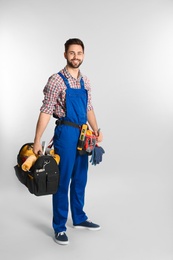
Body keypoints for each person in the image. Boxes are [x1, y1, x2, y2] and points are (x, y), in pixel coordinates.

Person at [33, 38, 103, 245]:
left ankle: (79, 218)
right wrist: (37, 139)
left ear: (83, 55)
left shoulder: (85, 81)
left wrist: (96, 130)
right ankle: (60, 226)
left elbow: (89, 107)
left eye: (79, 53)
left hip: (83, 134)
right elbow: (46, 110)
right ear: (65, 54)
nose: (75, 57)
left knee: (80, 178)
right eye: (71, 53)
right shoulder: (56, 80)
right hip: (66, 133)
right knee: (62, 180)